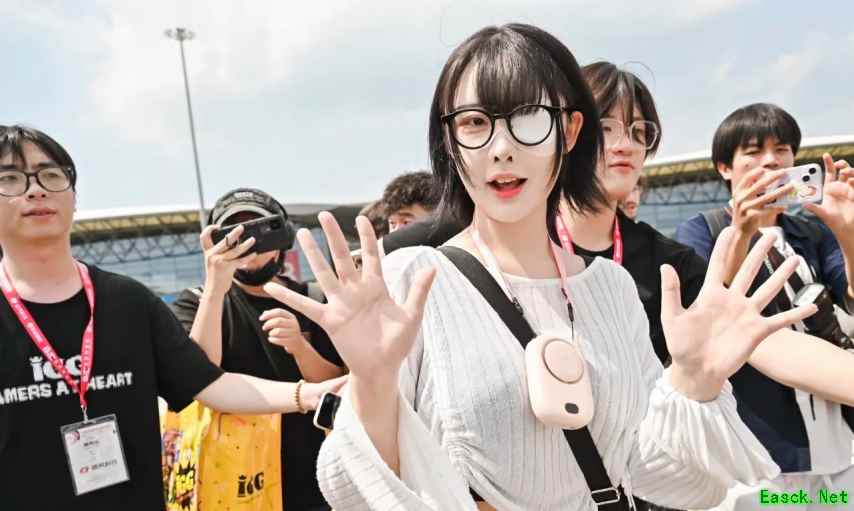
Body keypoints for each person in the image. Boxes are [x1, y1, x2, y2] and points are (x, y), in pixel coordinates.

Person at [264, 24, 814, 510]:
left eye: (527, 118)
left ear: (569, 132)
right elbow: (361, 493)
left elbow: (662, 478)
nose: (501, 148)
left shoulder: (611, 287)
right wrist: (373, 382)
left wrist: (693, 382)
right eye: (475, 123)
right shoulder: (414, 279)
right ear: (451, 141)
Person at [0, 125, 345, 510]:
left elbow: (209, 382)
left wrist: (310, 394)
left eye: (50, 175)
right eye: (10, 179)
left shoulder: (128, 301)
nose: (35, 190)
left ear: (74, 196)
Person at [675, 103, 854, 510]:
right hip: (758, 443)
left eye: (782, 150)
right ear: (725, 167)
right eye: (753, 152)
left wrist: (846, 230)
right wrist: (741, 230)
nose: (771, 161)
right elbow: (710, 308)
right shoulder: (702, 230)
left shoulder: (812, 231)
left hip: (835, 435)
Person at [171, 188, 346, 511]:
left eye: (259, 232)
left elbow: (334, 384)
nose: (248, 247)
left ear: (282, 237)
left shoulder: (313, 299)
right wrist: (215, 289)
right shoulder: (197, 302)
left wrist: (300, 347)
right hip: (231, 480)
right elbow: (199, 377)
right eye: (235, 236)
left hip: (311, 473)